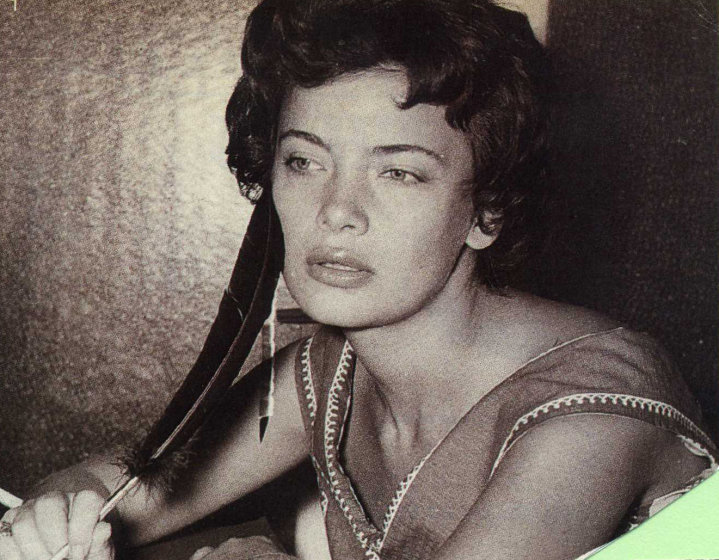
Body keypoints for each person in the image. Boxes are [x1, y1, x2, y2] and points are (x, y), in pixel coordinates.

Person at [1, 0, 716, 559]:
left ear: (486, 212)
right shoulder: (328, 370)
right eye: (304, 162)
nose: (337, 211)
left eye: (399, 172)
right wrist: (58, 513)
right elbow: (123, 486)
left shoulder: (590, 415)